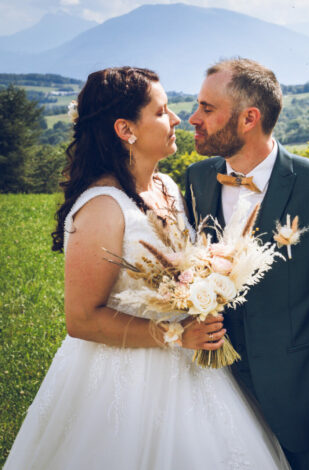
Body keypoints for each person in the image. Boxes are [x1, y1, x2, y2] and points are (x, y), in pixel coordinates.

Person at [4, 67, 289, 470]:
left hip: (191, 369)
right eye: (162, 111)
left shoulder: (168, 187)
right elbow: (82, 319)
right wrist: (176, 334)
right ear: (126, 129)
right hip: (122, 380)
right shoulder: (103, 206)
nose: (176, 119)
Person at [184, 58, 309, 470]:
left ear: (249, 118)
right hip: (213, 395)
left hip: (299, 406)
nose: (193, 118)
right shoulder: (197, 179)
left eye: (207, 109)